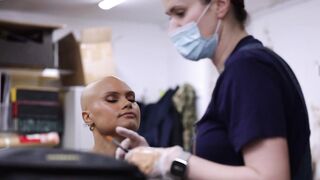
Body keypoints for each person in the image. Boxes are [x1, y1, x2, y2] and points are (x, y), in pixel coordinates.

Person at [115, 0, 313, 179]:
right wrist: (152, 157)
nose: (173, 26)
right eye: (170, 17)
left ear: (220, 5)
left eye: (180, 13)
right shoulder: (245, 67)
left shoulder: (248, 68)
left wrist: (173, 161)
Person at [80, 76, 141, 157]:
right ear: (87, 117)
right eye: (112, 99)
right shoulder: (77, 167)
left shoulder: (154, 165)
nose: (128, 103)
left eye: (131, 99)